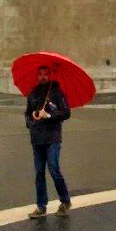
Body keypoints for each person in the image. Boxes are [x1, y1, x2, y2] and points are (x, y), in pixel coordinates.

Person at [25, 64, 72, 217]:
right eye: (40, 74)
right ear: (37, 76)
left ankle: (65, 201)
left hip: (52, 138)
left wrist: (49, 115)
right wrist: (31, 121)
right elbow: (27, 114)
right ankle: (41, 206)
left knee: (54, 169)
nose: (43, 77)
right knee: (39, 173)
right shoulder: (32, 94)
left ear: (50, 75)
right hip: (37, 138)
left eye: (45, 74)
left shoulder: (57, 93)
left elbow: (66, 113)